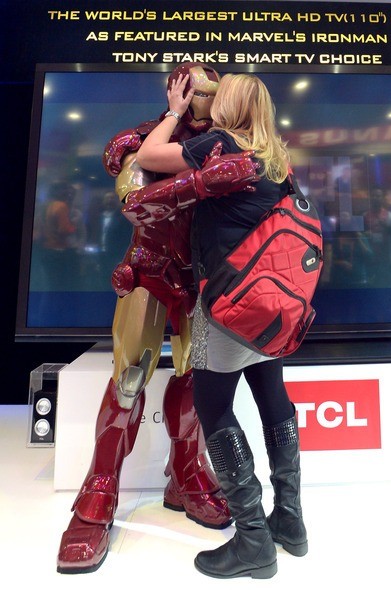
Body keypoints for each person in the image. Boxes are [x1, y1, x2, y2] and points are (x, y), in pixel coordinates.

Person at [56, 63, 260, 574]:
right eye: (196, 87)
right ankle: (99, 489)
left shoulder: (229, 144)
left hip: (202, 279)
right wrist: (203, 180)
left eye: (213, 87)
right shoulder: (146, 141)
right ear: (178, 90)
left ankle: (186, 473)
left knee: (196, 376)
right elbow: (134, 202)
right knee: (129, 378)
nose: (206, 96)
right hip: (149, 272)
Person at [136, 72, 309, 579]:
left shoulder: (220, 145)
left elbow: (148, 157)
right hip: (273, 307)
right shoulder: (277, 156)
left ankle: (253, 540)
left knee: (213, 408)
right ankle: (290, 521)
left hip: (228, 303)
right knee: (274, 399)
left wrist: (174, 111)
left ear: (228, 105)